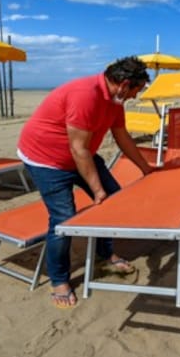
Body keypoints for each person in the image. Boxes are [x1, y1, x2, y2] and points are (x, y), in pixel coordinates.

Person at [17, 56, 155, 309]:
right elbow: (78, 148)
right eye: (136, 90)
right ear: (124, 84)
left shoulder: (115, 101)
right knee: (64, 219)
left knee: (113, 200)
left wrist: (146, 169)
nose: (135, 96)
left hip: (81, 156)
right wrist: (97, 190)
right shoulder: (86, 95)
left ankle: (104, 253)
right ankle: (59, 280)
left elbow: (121, 136)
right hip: (46, 160)